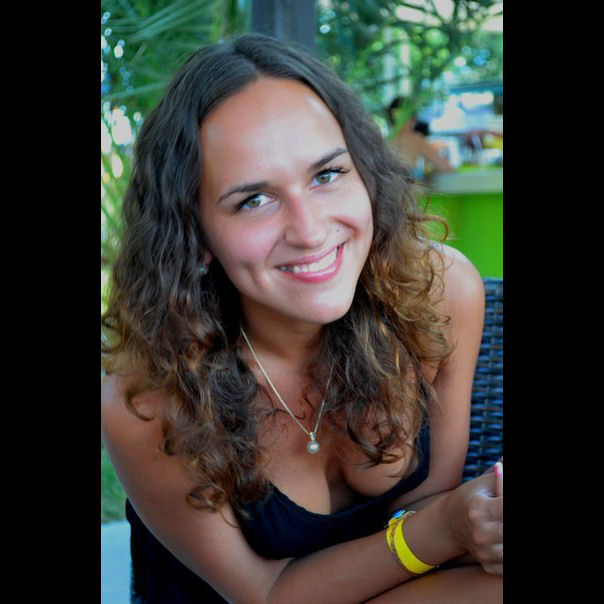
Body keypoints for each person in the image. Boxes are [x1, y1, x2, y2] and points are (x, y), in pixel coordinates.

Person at [101, 33, 502, 603]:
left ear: (364, 172)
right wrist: (447, 528)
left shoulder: (439, 295)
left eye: (327, 174)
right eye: (254, 200)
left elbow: (427, 509)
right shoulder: (148, 398)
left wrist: (482, 518)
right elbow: (265, 595)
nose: (311, 231)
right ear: (196, 235)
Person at [387, 96, 454, 179]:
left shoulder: (385, 140)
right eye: (413, 115)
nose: (415, 119)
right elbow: (446, 167)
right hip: (404, 186)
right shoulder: (415, 139)